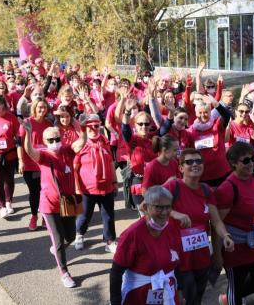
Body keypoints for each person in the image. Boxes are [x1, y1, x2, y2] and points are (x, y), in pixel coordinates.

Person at [164, 148, 234, 305]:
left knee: (197, 298)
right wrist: (175, 214)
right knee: (184, 299)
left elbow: (216, 221)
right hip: (178, 259)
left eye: (199, 161)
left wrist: (226, 236)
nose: (195, 164)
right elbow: (147, 204)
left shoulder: (206, 189)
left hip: (201, 257)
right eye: (189, 162)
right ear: (181, 168)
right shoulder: (173, 187)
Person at [214, 142, 254, 305]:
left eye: (253, 159)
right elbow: (215, 223)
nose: (251, 164)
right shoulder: (227, 188)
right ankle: (232, 298)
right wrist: (218, 255)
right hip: (236, 248)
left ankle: (229, 298)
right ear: (233, 163)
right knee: (236, 287)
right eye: (246, 161)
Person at [21, 123, 80, 288]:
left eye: (57, 139)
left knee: (71, 237)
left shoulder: (66, 151)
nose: (55, 142)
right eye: (51, 140)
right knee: (59, 240)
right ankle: (64, 272)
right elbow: (29, 150)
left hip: (67, 203)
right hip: (49, 205)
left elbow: (80, 143)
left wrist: (80, 128)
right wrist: (28, 132)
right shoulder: (44, 155)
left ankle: (56, 249)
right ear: (45, 141)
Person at [109, 186, 183, 305]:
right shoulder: (132, 234)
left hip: (168, 292)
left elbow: (176, 263)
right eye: (158, 207)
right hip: (138, 296)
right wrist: (115, 302)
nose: (164, 212)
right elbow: (116, 272)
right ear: (145, 207)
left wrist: (180, 290)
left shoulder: (171, 229)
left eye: (168, 207)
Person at [73, 114, 118, 253]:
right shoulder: (80, 143)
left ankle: (109, 240)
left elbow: (110, 162)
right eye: (90, 126)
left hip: (106, 187)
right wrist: (76, 187)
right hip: (87, 188)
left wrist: (115, 182)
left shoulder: (104, 140)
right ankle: (79, 234)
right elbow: (74, 167)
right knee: (85, 215)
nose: (93, 128)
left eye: (96, 125)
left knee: (108, 215)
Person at [18, 99, 52, 231]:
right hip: (30, 165)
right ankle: (34, 216)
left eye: (44, 107)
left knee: (45, 191)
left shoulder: (48, 123)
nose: (42, 110)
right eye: (39, 107)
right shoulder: (27, 122)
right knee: (34, 192)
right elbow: (19, 143)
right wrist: (21, 160)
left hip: (45, 165)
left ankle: (45, 215)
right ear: (34, 108)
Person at [188, 96, 232, 187]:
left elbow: (227, 116)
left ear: (210, 112)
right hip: (202, 175)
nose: (203, 115)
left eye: (206, 112)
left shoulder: (217, 125)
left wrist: (215, 103)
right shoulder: (191, 131)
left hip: (221, 172)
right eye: (200, 113)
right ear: (196, 114)